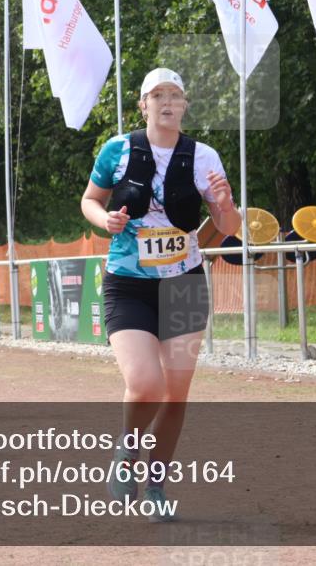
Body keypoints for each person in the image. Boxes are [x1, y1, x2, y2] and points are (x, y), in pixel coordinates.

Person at [81, 68, 241, 522]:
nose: (167, 102)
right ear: (143, 104)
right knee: (146, 383)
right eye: (158, 95)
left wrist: (226, 206)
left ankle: (155, 484)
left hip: (185, 282)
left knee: (175, 394)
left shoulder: (204, 157)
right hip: (128, 283)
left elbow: (229, 229)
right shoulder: (118, 148)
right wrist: (103, 220)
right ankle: (126, 452)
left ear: (185, 106)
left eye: (175, 95)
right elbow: (90, 200)